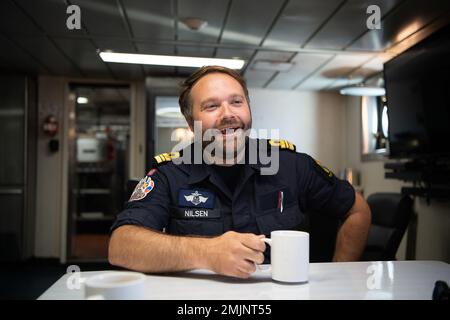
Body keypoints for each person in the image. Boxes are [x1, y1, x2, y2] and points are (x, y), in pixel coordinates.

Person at [108, 66, 371, 279]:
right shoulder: (170, 173)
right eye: (211, 106)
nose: (228, 114)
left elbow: (358, 211)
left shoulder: (293, 165)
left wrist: (342, 276)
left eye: (237, 101)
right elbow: (121, 246)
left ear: (248, 108)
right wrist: (207, 252)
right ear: (191, 123)